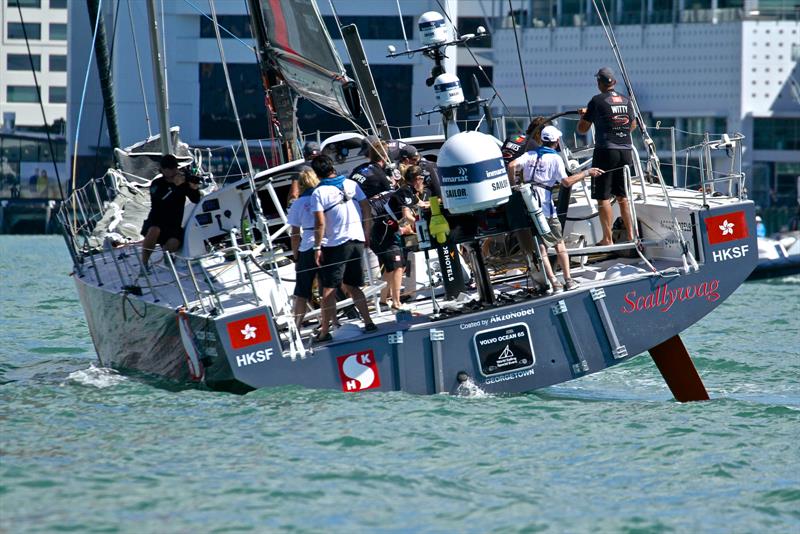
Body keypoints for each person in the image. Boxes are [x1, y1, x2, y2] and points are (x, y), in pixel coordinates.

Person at [508, 126, 604, 292]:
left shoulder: (529, 154)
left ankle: (554, 282)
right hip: (545, 208)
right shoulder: (555, 159)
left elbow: (511, 165)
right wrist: (587, 172)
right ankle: (568, 280)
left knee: (541, 247)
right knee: (559, 244)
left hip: (529, 205)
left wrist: (513, 184)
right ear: (556, 141)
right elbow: (566, 182)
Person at [311, 155, 376, 342]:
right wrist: (366, 233)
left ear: (317, 173)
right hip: (357, 239)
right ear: (332, 166)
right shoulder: (351, 184)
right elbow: (366, 208)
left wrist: (317, 247)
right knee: (353, 285)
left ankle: (324, 332)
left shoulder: (319, 193)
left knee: (328, 289)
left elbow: (319, 222)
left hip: (337, 244)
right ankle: (369, 322)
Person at [576, 67, 637, 246]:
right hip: (626, 150)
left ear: (599, 83)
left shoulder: (597, 100)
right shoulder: (626, 100)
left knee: (603, 198)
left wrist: (586, 115)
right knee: (622, 197)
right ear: (614, 83)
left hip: (606, 150)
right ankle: (632, 236)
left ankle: (608, 239)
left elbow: (582, 129)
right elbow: (632, 125)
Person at [140, 154, 202, 269]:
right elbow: (160, 198)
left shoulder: (182, 183)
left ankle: (167, 260)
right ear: (162, 170)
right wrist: (174, 186)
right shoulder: (157, 184)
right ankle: (144, 262)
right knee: (154, 230)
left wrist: (194, 188)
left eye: (174, 167)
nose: (173, 171)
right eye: (169, 168)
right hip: (157, 220)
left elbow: (196, 199)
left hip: (174, 223)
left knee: (174, 242)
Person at [370, 172, 418, 311]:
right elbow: (406, 218)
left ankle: (384, 302)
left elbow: (418, 204)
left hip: (382, 230)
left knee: (392, 267)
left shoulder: (399, 193)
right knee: (398, 265)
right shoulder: (402, 193)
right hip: (381, 231)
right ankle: (396, 303)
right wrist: (418, 224)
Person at [287, 167, 321, 329]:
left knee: (301, 291)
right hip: (327, 244)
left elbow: (294, 234)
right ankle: (334, 321)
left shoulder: (297, 204)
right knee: (329, 286)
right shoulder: (322, 196)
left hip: (307, 246)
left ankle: (297, 325)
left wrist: (296, 257)